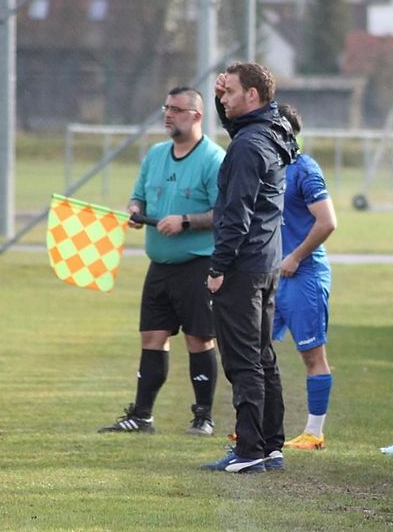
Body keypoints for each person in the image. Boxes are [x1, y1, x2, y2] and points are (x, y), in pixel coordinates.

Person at [97, 87, 224, 435]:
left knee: (199, 339)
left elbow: (224, 212)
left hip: (198, 264)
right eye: (166, 108)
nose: (168, 115)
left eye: (177, 109)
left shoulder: (213, 159)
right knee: (152, 336)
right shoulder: (155, 155)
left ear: (196, 116)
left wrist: (185, 221)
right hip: (160, 266)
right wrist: (136, 211)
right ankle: (141, 415)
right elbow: (138, 196)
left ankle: (203, 417)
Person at [202, 62, 299, 474]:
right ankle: (271, 445)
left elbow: (236, 214)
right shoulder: (274, 131)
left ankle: (249, 450)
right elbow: (242, 130)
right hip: (267, 261)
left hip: (242, 265)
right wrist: (222, 104)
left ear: (253, 96)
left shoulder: (247, 145)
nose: (223, 98)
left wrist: (218, 266)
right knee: (262, 356)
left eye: (229, 93)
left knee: (243, 361)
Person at [273, 104, 338, 450]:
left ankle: (314, 432)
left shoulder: (304, 169)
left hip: (303, 274)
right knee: (252, 349)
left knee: (312, 355)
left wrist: (296, 256)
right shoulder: (266, 168)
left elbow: (327, 221)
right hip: (271, 274)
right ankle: (261, 424)